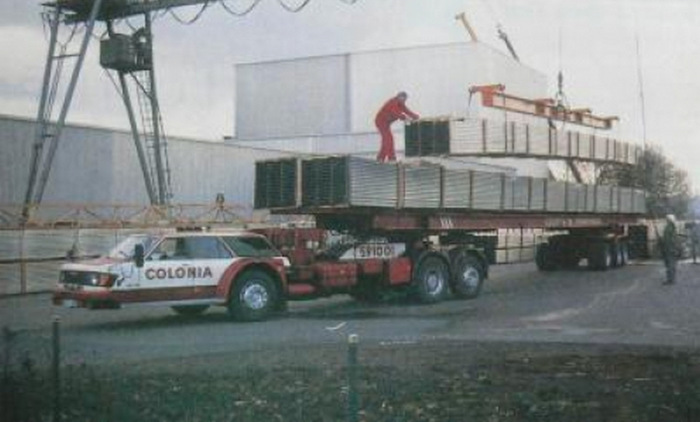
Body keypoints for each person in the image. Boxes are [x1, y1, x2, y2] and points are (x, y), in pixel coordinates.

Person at [374, 92, 419, 162]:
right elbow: (396, 113)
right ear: (399, 97)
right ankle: (391, 158)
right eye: (403, 99)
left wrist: (415, 116)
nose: (404, 101)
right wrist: (405, 118)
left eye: (405, 99)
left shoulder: (400, 104)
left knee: (386, 140)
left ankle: (380, 158)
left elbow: (406, 110)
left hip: (386, 123)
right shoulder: (393, 103)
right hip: (381, 122)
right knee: (388, 139)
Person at [660, 214, 680, 284]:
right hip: (671, 249)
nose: (666, 220)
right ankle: (671, 279)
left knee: (670, 265)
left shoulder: (669, 228)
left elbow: (668, 240)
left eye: (666, 219)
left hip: (669, 249)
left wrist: (663, 245)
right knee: (672, 265)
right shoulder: (672, 227)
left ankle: (670, 279)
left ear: (668, 220)